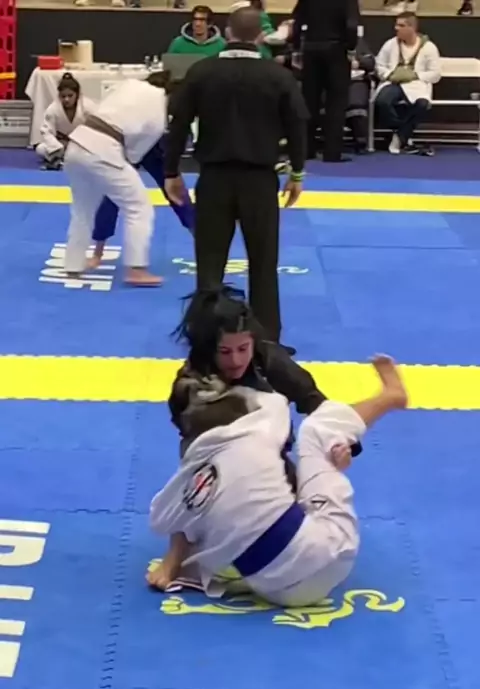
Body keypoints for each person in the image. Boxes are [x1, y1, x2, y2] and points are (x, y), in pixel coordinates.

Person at [147, 286, 362, 591]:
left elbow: (315, 402)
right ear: (209, 350)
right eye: (225, 352)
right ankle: (177, 553)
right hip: (219, 467)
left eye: (243, 348)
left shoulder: (267, 358)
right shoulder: (191, 384)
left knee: (312, 470)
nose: (236, 360)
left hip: (272, 460)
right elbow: (195, 449)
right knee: (198, 472)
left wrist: (342, 443)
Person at [150, 355, 407, 606]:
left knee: (207, 524)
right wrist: (242, 384)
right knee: (318, 430)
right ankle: (390, 397)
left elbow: (161, 518)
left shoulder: (189, 473)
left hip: (273, 591)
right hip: (329, 555)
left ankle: (328, 468)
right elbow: (277, 400)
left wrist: (171, 562)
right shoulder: (258, 426)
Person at [163, 6, 308, 345]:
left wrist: (171, 171)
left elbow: (178, 123)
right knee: (263, 262)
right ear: (261, 36)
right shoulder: (277, 76)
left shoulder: (203, 71)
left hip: (214, 178)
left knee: (210, 263)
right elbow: (297, 125)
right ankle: (267, 340)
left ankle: (206, 338)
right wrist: (297, 172)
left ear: (227, 33)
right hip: (259, 180)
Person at [63, 74, 167, 285]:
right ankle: (136, 269)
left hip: (76, 144)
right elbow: (135, 155)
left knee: (82, 209)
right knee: (139, 207)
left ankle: (73, 264)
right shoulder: (160, 109)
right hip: (103, 149)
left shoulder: (128, 84)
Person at [89, 139, 195, 267]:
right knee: (112, 195)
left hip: (153, 140)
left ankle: (204, 246)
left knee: (177, 194)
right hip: (129, 141)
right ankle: (98, 251)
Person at [292, 0, 360, 162]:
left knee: (309, 100)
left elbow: (297, 22)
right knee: (336, 102)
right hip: (336, 49)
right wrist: (350, 47)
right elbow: (351, 25)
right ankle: (332, 152)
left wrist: (296, 48)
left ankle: (307, 149)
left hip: (311, 48)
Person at [375, 13, 441, 155]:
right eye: (396, 25)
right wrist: (389, 75)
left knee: (422, 104)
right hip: (393, 83)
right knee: (382, 101)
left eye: (401, 25)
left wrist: (416, 75)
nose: (396, 28)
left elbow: (435, 74)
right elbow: (379, 65)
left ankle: (398, 138)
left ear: (412, 27)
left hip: (416, 84)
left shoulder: (429, 47)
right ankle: (402, 133)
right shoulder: (390, 44)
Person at [36, 73, 95, 170]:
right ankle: (64, 160)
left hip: (81, 145)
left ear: (77, 95)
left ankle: (62, 161)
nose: (66, 99)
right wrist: (57, 147)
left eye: (70, 96)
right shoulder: (53, 109)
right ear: (59, 95)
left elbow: (96, 128)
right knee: (40, 149)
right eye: (63, 96)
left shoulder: (88, 107)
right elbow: (47, 132)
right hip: (61, 146)